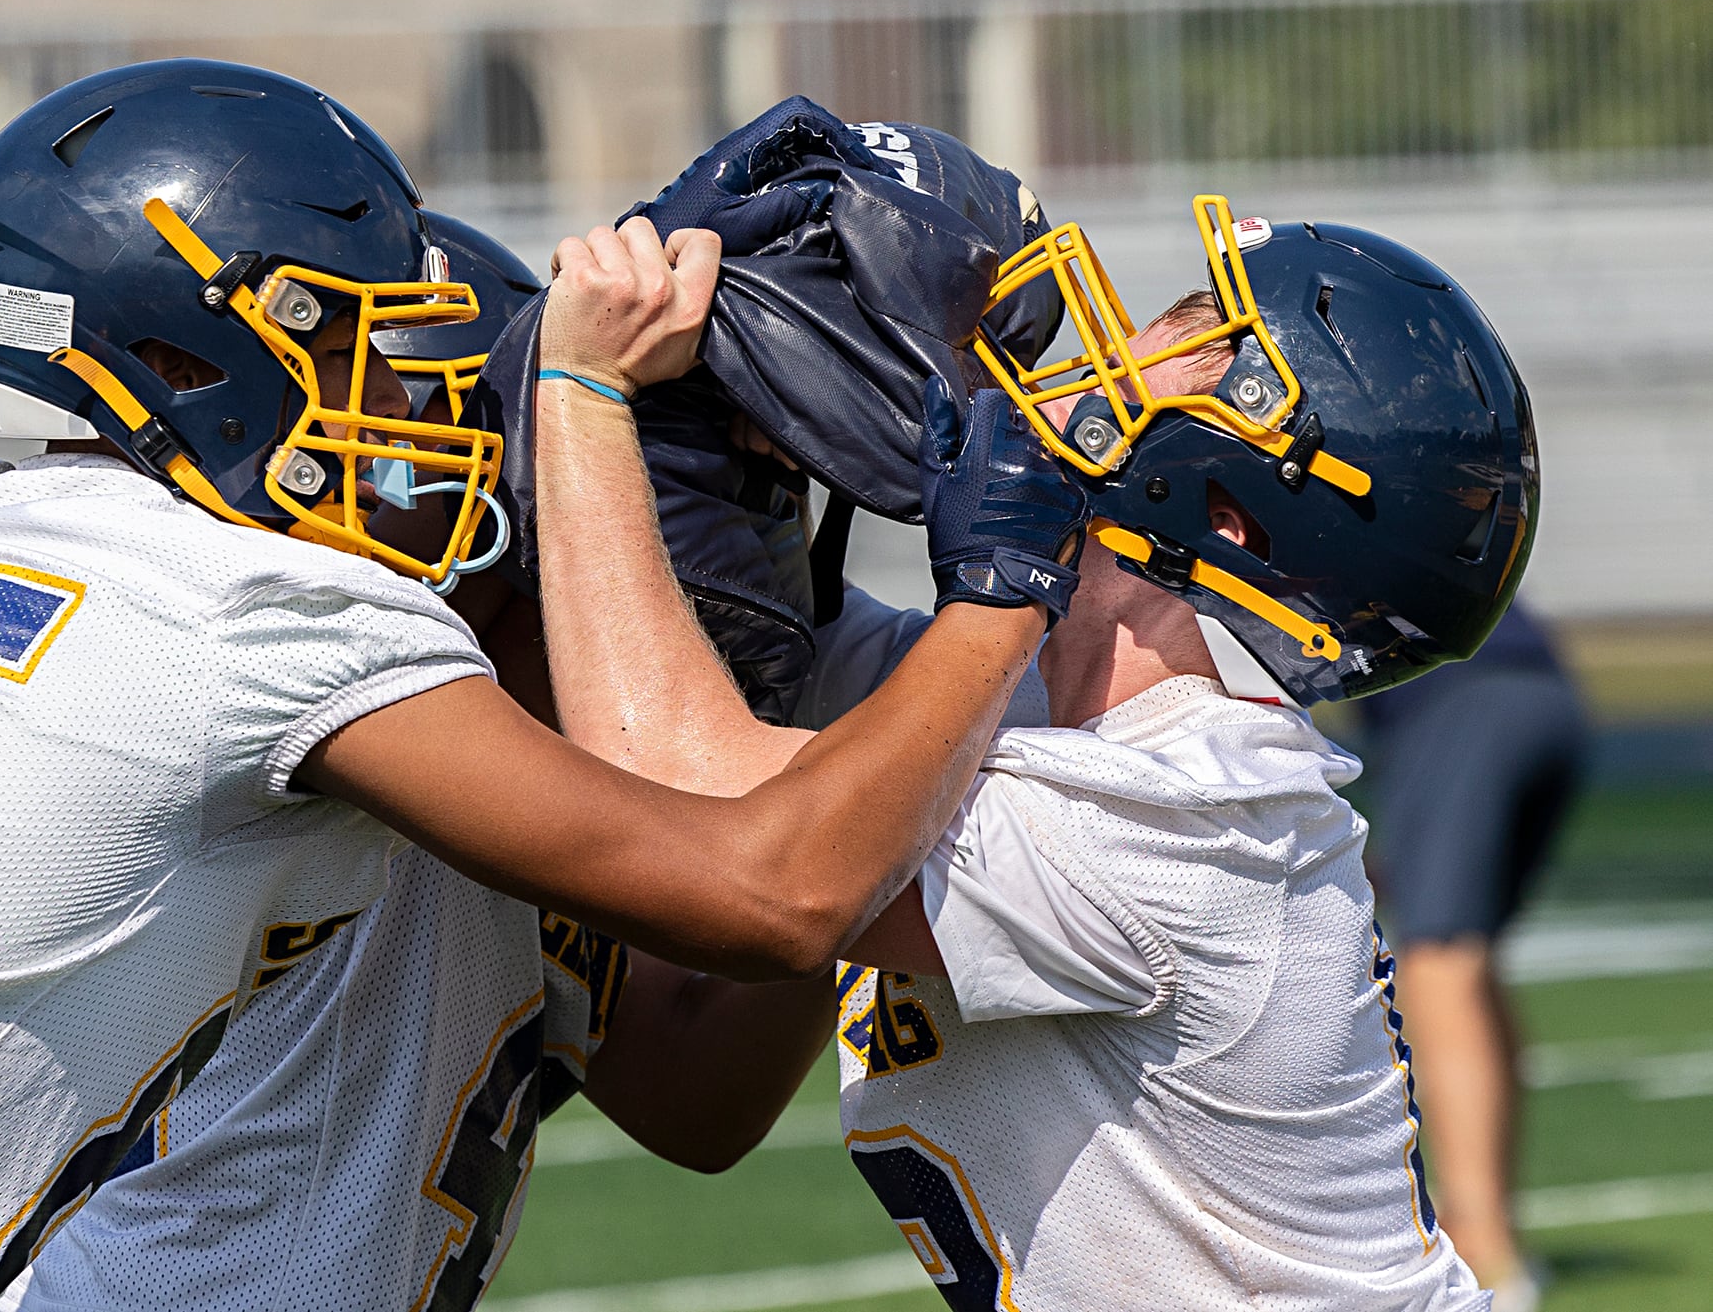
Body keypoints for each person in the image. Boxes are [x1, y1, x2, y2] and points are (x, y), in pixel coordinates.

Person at [0, 59, 1077, 1312]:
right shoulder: (288, 615)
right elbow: (768, 893)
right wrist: (992, 591)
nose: (408, 425)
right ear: (187, 346)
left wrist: (757, 663)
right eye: (361, 348)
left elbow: (699, 1082)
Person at [526, 192, 1537, 1310]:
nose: (1081, 379)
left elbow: (672, 782)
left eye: (1151, 357)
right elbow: (781, 655)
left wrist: (580, 388)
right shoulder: (1084, 727)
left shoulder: (1190, 818)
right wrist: (733, 429)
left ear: (1228, 513)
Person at [0, 213, 838, 1312]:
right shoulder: (302, 691)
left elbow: (698, 1096)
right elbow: (769, 897)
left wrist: (766, 727)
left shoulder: (501, 773)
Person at [1356, 600, 1587, 1312]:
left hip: (1461, 700)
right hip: (1549, 696)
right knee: (1470, 962)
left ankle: (1483, 1244)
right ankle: (1496, 1226)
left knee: (1438, 960)